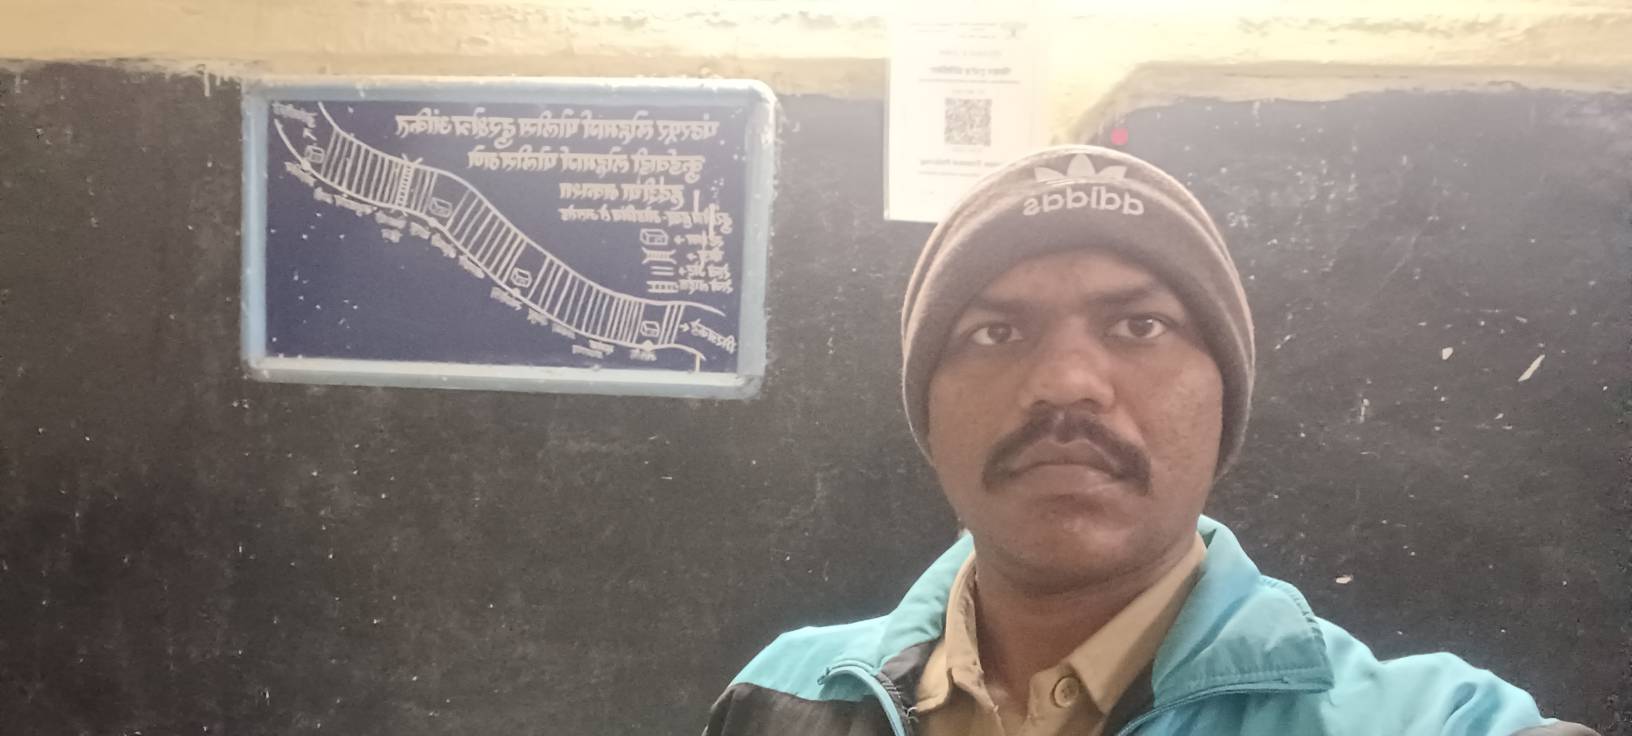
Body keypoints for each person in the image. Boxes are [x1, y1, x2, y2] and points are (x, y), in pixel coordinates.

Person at [702, 145, 1598, 736]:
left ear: (1224, 402)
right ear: (927, 413)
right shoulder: (784, 697)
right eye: (995, 333)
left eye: (1140, 326)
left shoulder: (1430, 722)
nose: (1066, 382)